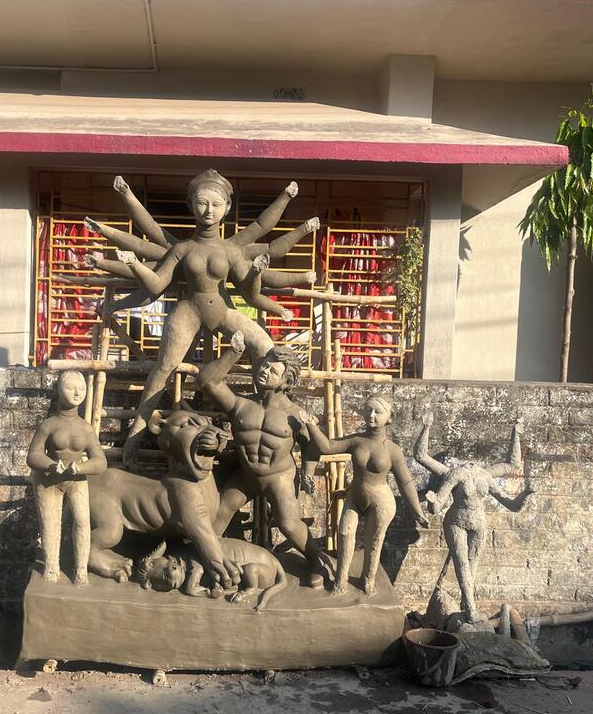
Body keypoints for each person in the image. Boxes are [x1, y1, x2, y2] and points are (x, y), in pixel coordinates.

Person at [85, 170, 318, 467]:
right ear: (191, 205)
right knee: (162, 370)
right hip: (188, 311)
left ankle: (271, 414)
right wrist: (133, 264)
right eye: (202, 203)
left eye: (216, 204)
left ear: (227, 208)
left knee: (264, 345)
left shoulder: (231, 250)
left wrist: (262, 270)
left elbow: (251, 290)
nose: (209, 211)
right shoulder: (182, 249)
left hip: (223, 312)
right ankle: (134, 439)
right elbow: (156, 285)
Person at [196, 330, 332, 587]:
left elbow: (313, 447)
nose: (265, 371)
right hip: (247, 475)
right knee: (218, 514)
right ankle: (210, 561)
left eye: (273, 370)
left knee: (289, 524)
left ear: (285, 381)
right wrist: (233, 353)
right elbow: (207, 381)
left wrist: (308, 471)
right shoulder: (240, 404)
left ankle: (318, 560)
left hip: (279, 478)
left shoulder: (295, 414)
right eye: (265, 365)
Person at [298, 397, 428, 596]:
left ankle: (368, 579)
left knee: (373, 540)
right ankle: (340, 580)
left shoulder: (393, 450)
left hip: (381, 501)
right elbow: (328, 447)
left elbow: (406, 483)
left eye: (378, 411)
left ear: (389, 417)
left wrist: (417, 511)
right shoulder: (357, 440)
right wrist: (311, 425)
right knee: (344, 532)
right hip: (355, 496)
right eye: (368, 410)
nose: (371, 415)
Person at [414, 413, 533, 624]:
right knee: (462, 564)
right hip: (456, 521)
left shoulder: (485, 476)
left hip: (479, 523)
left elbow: (512, 502)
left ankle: (465, 604)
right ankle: (470, 610)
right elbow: (421, 457)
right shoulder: (455, 474)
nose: (469, 464)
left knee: (472, 565)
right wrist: (426, 427)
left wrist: (526, 493)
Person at [26, 371, 107, 585]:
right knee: (50, 524)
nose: (77, 392)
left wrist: (80, 467)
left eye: (81, 388)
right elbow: (33, 455)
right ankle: (52, 566)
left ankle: (81, 569)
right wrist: (52, 465)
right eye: (71, 387)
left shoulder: (86, 428)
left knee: (82, 522)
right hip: (48, 480)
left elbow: (100, 461)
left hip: (76, 480)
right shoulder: (48, 425)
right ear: (59, 390)